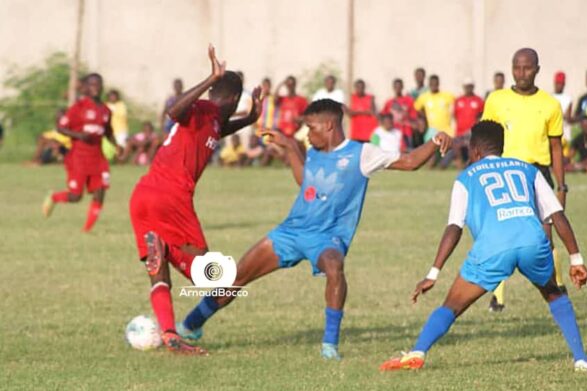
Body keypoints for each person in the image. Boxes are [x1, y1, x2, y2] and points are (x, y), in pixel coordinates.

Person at [176, 99, 452, 360]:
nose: (307, 134)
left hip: (327, 238)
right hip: (291, 232)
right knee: (237, 276)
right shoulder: (314, 153)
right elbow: (306, 183)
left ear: (329, 125)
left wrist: (435, 140)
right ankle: (190, 325)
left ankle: (329, 345)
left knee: (334, 267)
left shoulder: (362, 153)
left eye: (311, 128)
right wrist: (288, 147)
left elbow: (410, 161)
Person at [379, 121, 587, 372]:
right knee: (554, 293)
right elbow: (557, 215)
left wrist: (433, 273)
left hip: (494, 247)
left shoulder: (465, 177)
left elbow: (454, 228)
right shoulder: (527, 169)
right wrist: (576, 259)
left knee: (452, 305)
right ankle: (581, 359)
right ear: (500, 147)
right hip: (532, 242)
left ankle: (417, 353)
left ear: (475, 150)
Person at [128, 45, 262, 355]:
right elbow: (174, 112)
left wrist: (250, 118)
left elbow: (219, 129)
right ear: (233, 98)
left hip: (144, 195)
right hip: (170, 196)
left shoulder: (212, 119)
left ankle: (170, 334)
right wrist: (209, 78)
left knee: (159, 271)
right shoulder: (203, 108)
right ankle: (190, 321)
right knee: (216, 278)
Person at [482, 48, 566, 312]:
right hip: (506, 174)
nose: (521, 73)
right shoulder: (496, 100)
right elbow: (485, 139)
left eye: (527, 68)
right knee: (502, 237)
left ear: (537, 69)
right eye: (517, 67)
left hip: (538, 173)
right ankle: (498, 297)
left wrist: (562, 186)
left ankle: (557, 284)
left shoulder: (550, 104)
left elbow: (556, 148)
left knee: (544, 237)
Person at [42, 73, 120, 232]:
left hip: (98, 158)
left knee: (100, 191)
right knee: (75, 196)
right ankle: (54, 197)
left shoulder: (105, 110)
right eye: (92, 84)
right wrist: (79, 135)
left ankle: (86, 230)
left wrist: (117, 146)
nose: (95, 87)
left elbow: (108, 131)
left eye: (98, 84)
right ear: (86, 87)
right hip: (79, 157)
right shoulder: (79, 107)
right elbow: (61, 127)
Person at [453, 78, 484, 168]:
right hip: (459, 132)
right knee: (457, 151)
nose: (468, 88)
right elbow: (455, 115)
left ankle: (473, 167)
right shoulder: (458, 100)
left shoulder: (479, 100)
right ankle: (460, 168)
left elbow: (481, 116)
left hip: (472, 132)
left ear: (473, 87)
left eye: (470, 86)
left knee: (473, 151)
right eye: (466, 86)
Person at [382, 78, 417, 148]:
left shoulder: (409, 100)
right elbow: (383, 117)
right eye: (396, 87)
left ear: (402, 87)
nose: (398, 88)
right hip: (393, 133)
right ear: (393, 87)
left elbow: (414, 117)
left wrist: (405, 115)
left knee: (409, 152)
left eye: (399, 86)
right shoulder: (389, 102)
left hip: (406, 132)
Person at [552, 72, 574, 159]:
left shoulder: (568, 98)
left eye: (560, 84)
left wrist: (560, 115)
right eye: (557, 83)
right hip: (553, 132)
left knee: (564, 157)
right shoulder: (550, 97)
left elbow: (568, 117)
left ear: (564, 84)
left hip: (565, 132)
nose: (558, 86)